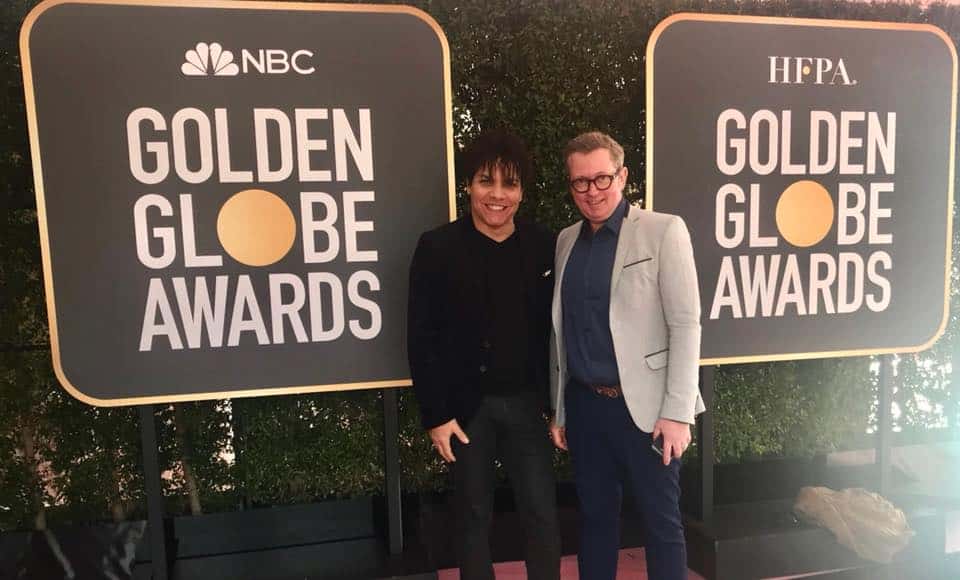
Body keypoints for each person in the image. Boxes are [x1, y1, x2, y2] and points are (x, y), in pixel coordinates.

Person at [548, 131, 705, 580]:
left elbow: (686, 324)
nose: (592, 191)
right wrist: (560, 410)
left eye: (602, 178)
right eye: (580, 182)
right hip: (585, 408)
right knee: (595, 522)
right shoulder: (565, 241)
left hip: (650, 411)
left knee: (662, 525)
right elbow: (560, 333)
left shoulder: (663, 230)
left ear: (622, 176)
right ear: (571, 185)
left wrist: (677, 413)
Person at [407, 129, 561, 580]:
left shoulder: (545, 245)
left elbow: (560, 332)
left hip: (528, 405)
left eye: (509, 184)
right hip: (464, 410)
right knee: (472, 517)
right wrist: (436, 415)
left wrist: (559, 405)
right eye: (485, 181)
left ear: (522, 191)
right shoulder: (436, 247)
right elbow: (420, 337)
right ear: (468, 185)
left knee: (542, 514)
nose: (497, 195)